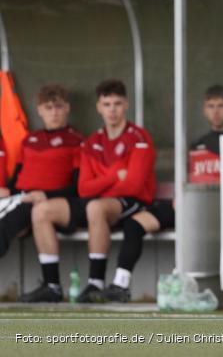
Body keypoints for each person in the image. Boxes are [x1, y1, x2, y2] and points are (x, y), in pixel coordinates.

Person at [20, 79, 157, 303]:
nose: (112, 110)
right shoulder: (93, 141)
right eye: (107, 104)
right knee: (42, 211)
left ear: (126, 105)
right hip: (96, 204)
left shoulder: (139, 138)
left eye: (117, 104)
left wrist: (100, 183)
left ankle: (96, 283)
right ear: (98, 107)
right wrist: (114, 174)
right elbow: (84, 188)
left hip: (133, 204)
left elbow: (133, 185)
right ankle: (52, 286)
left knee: (95, 207)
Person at [101, 85, 223, 301]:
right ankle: (120, 285)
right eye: (210, 106)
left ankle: (189, 288)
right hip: (191, 206)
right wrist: (181, 196)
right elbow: (186, 178)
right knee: (135, 223)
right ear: (204, 110)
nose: (216, 111)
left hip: (220, 210)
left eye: (221, 106)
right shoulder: (198, 144)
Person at [0, 85, 82, 258]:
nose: (54, 113)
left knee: (4, 226)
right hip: (18, 197)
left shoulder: (77, 141)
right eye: (48, 107)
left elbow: (77, 187)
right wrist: (7, 190)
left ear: (67, 108)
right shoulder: (30, 140)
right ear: (39, 110)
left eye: (58, 107)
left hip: (44, 203)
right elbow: (17, 178)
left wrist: (45, 196)